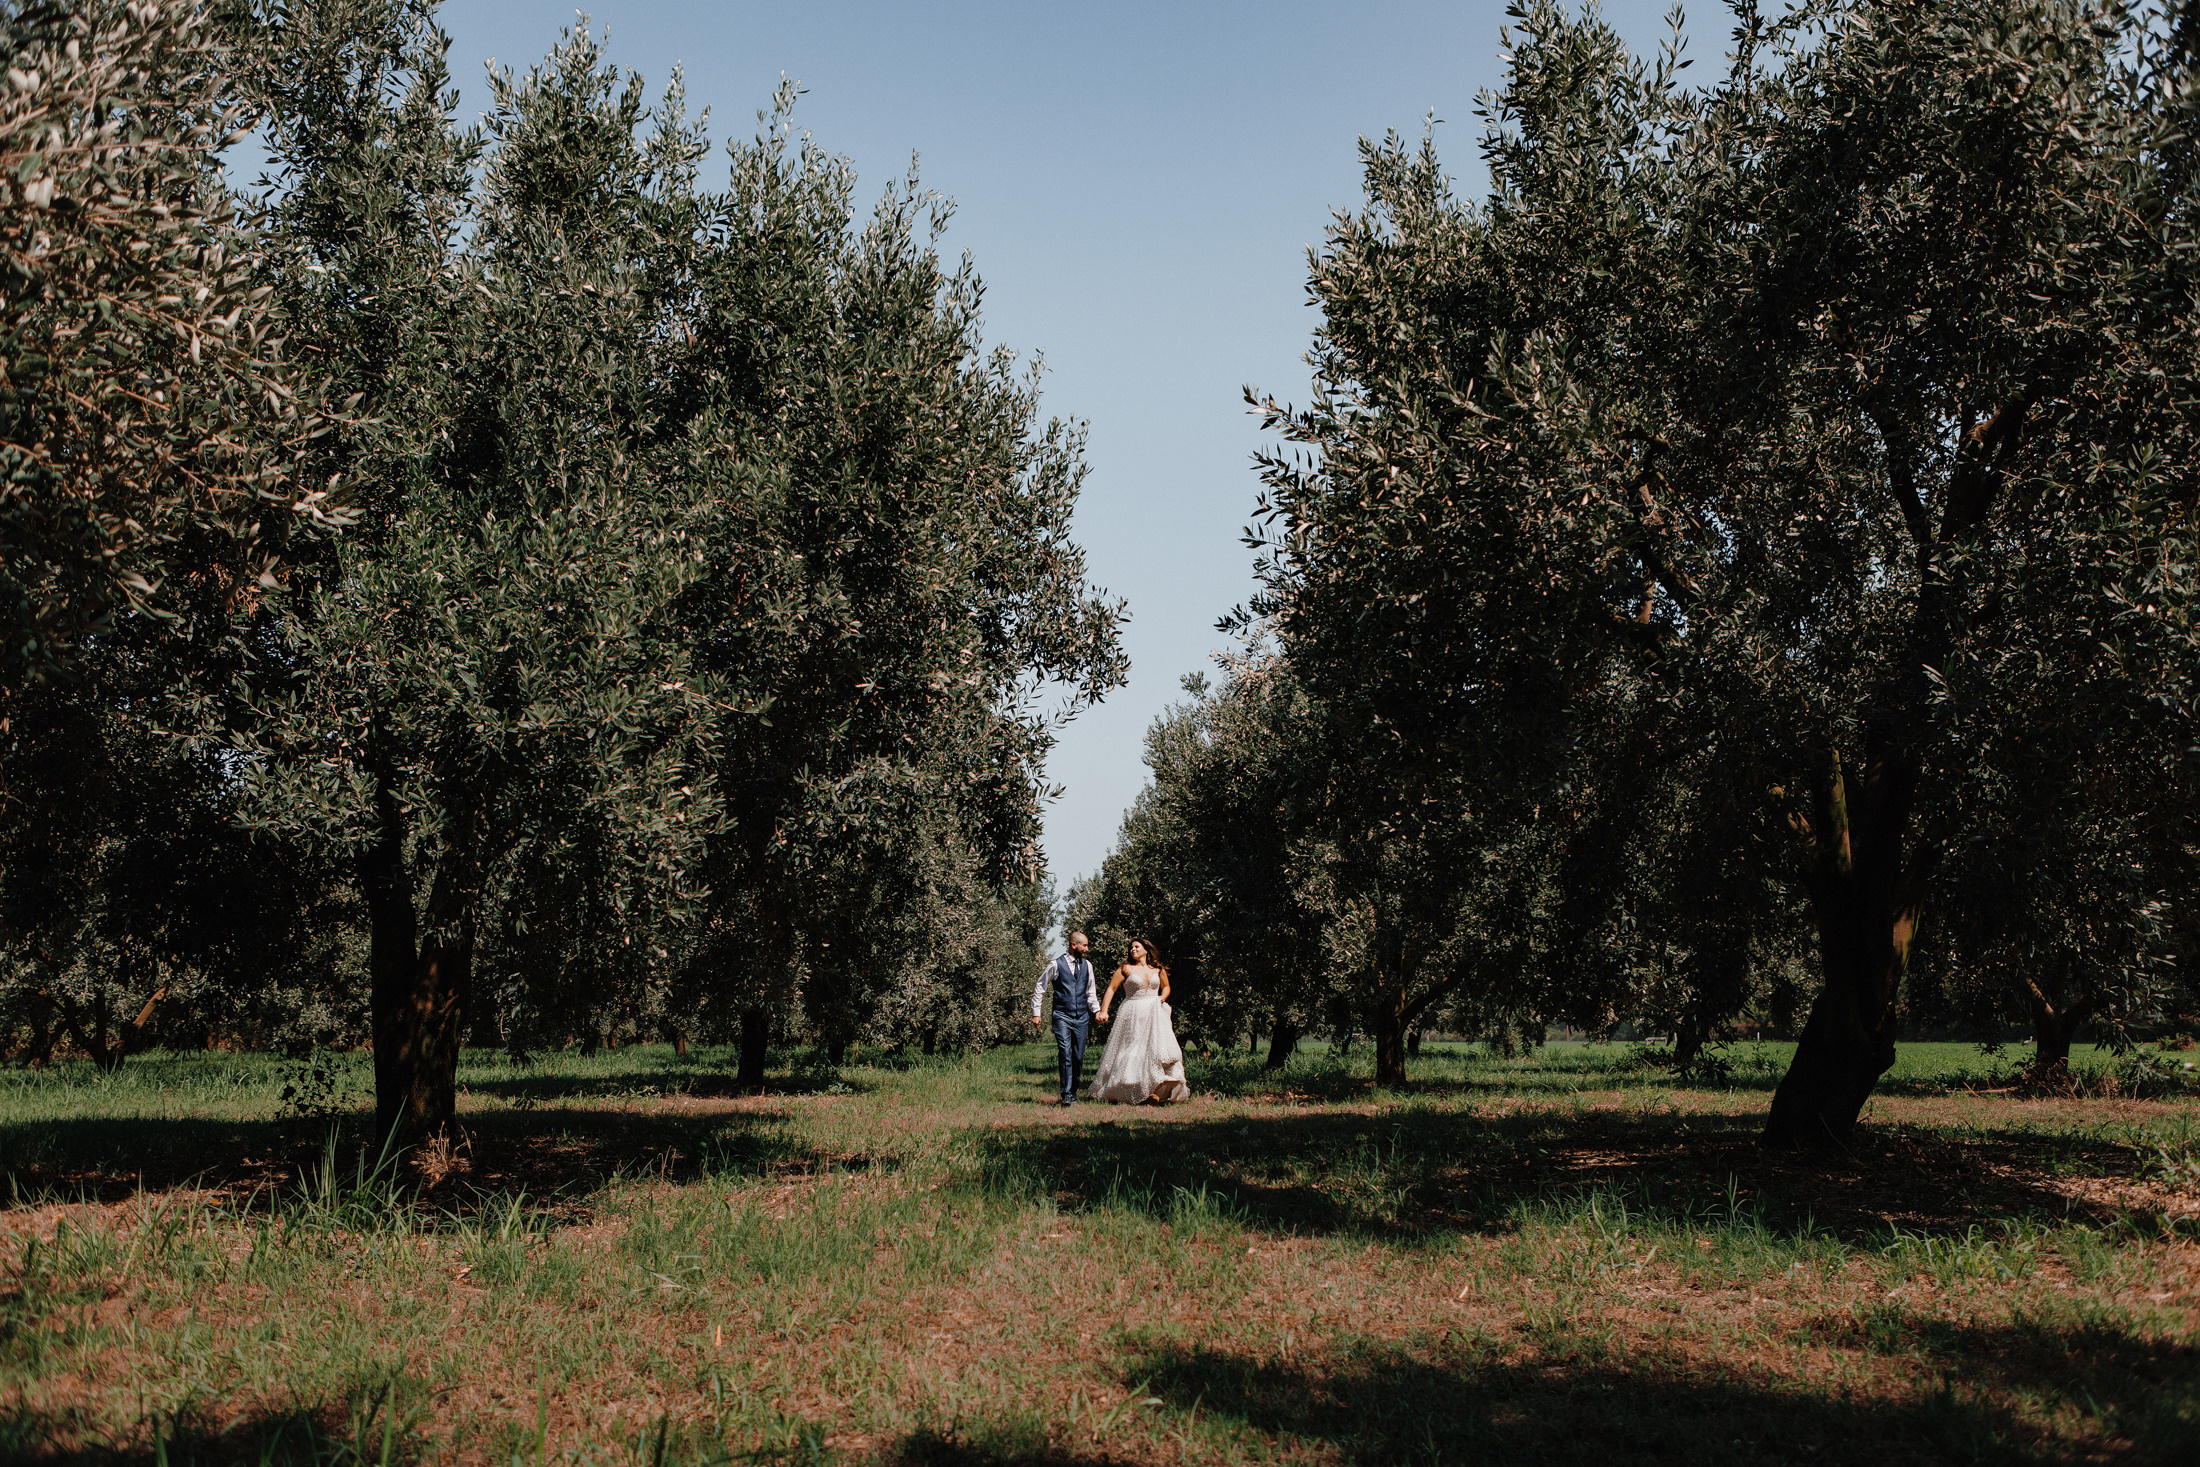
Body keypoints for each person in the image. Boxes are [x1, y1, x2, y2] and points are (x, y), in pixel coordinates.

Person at [1089, 937, 1191, 1104]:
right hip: (1132, 1011)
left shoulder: (1157, 969)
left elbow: (1166, 987)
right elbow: (1111, 988)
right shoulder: (1125, 968)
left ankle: (1157, 1090)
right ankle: (1130, 1088)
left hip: (1154, 1012)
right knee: (1132, 1048)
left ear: (1146, 949)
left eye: (1136, 947)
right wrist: (1104, 1010)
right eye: (1131, 948)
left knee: (1155, 1048)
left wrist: (1161, 998)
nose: (1133, 950)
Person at [1031, 930, 1102, 1107]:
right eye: (1084, 945)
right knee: (1065, 1054)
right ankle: (1066, 1094)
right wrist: (1036, 1012)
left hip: (1082, 1018)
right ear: (1073, 945)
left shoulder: (1088, 966)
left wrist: (1097, 1011)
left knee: (1078, 1056)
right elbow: (1040, 987)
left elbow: (1090, 992)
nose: (1087, 948)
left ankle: (1074, 1090)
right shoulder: (1055, 964)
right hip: (1062, 1015)